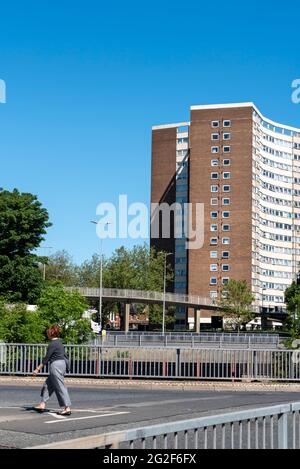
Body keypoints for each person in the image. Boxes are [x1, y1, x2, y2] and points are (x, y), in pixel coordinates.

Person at [33, 325, 72, 416]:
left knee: (60, 386)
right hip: (61, 364)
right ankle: (42, 404)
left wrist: (37, 369)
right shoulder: (59, 342)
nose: (47, 335)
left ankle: (67, 408)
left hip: (56, 366)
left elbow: (46, 359)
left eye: (48, 333)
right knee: (47, 384)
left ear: (51, 333)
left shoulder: (52, 344)